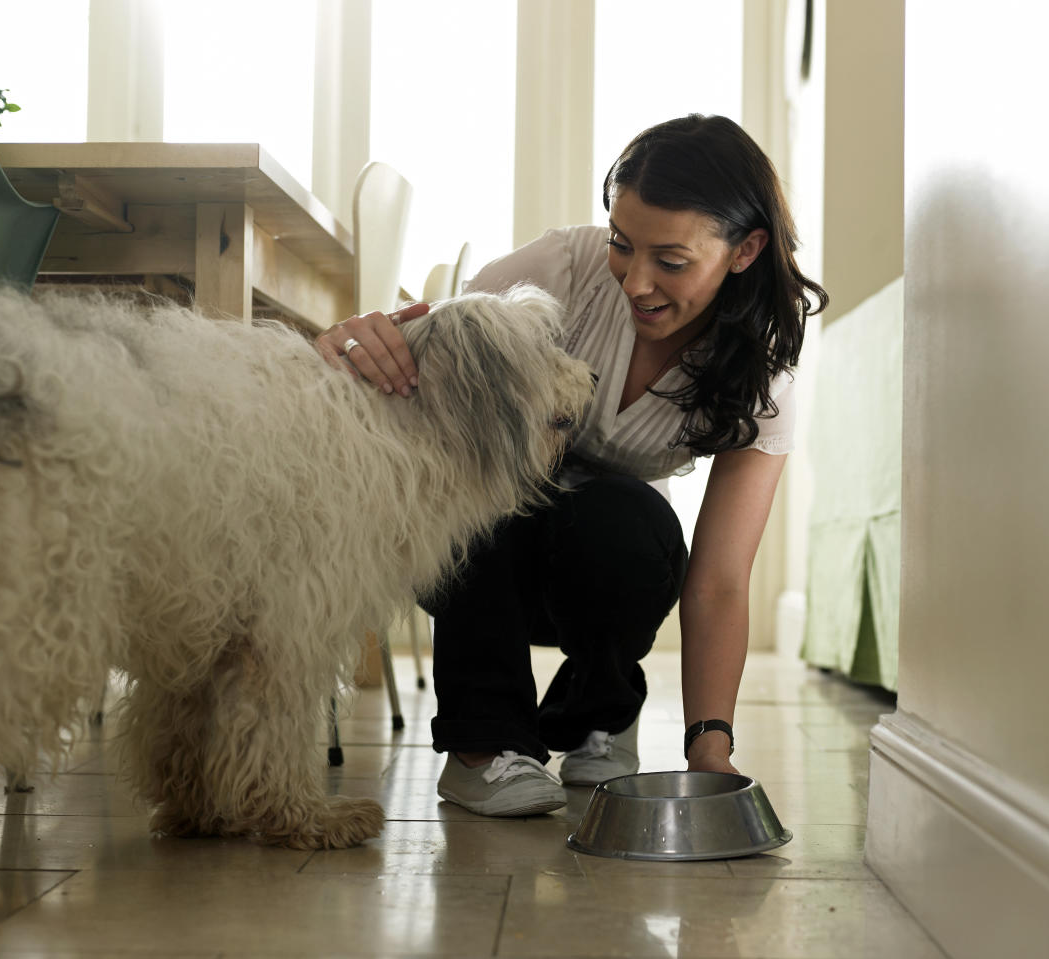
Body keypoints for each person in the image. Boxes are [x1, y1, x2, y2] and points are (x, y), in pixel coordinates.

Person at [316, 114, 827, 817]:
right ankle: (481, 745)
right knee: (484, 488)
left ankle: (599, 712)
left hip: (596, 571)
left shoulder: (760, 377)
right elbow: (423, 337)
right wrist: (355, 340)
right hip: (479, 566)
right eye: (623, 244)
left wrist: (709, 745)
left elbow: (718, 582)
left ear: (745, 251)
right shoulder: (563, 268)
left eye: (671, 261)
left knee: (635, 523)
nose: (637, 282)